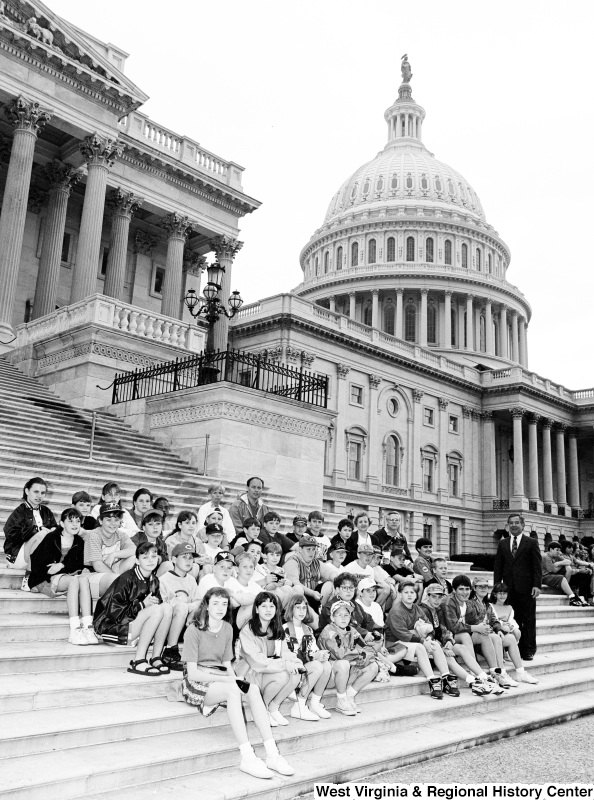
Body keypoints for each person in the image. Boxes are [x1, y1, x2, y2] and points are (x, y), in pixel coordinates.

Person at [180, 587, 295, 778]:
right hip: (198, 680)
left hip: (222, 676)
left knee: (252, 689)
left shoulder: (226, 628)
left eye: (224, 604)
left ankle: (272, 754)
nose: (220, 608)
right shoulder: (194, 629)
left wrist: (234, 678)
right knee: (233, 691)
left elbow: (226, 663)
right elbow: (192, 673)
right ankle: (247, 757)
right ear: (206, 606)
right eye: (215, 603)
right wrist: (229, 680)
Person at [93, 541, 173, 675]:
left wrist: (153, 602)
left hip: (132, 625)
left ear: (159, 559)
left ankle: (156, 657)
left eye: (153, 557)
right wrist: (142, 605)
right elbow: (114, 613)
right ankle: (139, 660)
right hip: (112, 627)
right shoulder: (127, 578)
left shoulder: (154, 580)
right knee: (156, 609)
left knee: (167, 608)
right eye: (145, 557)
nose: (150, 560)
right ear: (137, 560)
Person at [28, 507, 98, 645]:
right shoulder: (51, 537)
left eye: (77, 521)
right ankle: (74, 629)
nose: (74, 524)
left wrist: (62, 565)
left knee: (83, 579)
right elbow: (37, 560)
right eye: (70, 521)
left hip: (66, 575)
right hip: (45, 579)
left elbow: (78, 564)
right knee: (74, 581)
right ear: (61, 523)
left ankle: (88, 626)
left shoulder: (79, 541)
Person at [237, 591, 302, 726]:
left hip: (267, 670)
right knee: (283, 675)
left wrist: (295, 662)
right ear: (256, 609)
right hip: (250, 673)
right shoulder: (248, 630)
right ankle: (260, 710)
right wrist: (285, 664)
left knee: (295, 674)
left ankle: (273, 708)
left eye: (272, 606)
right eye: (264, 606)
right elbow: (256, 661)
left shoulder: (276, 628)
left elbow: (285, 652)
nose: (268, 610)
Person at [419, 583, 493, 696]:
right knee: (450, 659)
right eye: (433, 596)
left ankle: (483, 677)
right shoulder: (421, 610)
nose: (437, 600)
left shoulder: (438, 610)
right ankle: (473, 683)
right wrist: (443, 647)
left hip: (441, 644)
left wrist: (448, 641)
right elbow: (426, 635)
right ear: (427, 596)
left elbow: (445, 629)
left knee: (462, 648)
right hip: (429, 648)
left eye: (439, 597)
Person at [386, 581, 455, 700]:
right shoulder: (396, 610)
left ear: (416, 595)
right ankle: (432, 680)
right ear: (400, 594)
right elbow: (402, 634)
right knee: (420, 647)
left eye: (412, 592)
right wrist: (422, 640)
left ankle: (446, 677)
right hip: (395, 644)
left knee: (435, 645)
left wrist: (428, 638)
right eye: (406, 592)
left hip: (411, 642)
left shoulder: (417, 608)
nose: (409, 595)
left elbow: (430, 627)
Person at [439, 574, 505, 692]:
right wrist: (475, 628)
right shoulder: (449, 602)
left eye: (467, 589)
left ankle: (495, 671)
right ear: (454, 590)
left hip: (460, 634)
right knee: (466, 635)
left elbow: (475, 621)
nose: (465, 592)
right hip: (447, 636)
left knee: (484, 634)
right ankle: (476, 674)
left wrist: (484, 628)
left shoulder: (467, 603)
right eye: (461, 589)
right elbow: (453, 626)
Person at [493, 514, 542, 661]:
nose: (514, 525)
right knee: (510, 620)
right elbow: (498, 566)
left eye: (517, 523)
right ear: (508, 525)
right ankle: (510, 648)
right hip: (508, 590)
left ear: (523, 525)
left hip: (527, 588)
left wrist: (537, 585)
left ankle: (528, 650)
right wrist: (497, 587)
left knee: (528, 619)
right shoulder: (503, 543)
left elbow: (537, 566)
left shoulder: (531, 542)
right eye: (511, 523)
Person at [317, 600, 379, 714]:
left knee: (373, 666)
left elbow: (369, 650)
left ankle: (349, 696)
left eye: (346, 615)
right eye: (339, 615)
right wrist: (357, 656)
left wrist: (357, 660)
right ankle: (341, 700)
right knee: (343, 663)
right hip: (328, 677)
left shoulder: (352, 631)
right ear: (332, 617)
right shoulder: (329, 631)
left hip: (346, 673)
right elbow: (340, 655)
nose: (343, 618)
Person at [283, 595, 332, 720]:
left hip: (304, 665)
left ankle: (315, 703)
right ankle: (299, 706)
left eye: (304, 608)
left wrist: (320, 655)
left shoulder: (308, 629)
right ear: (291, 609)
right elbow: (287, 654)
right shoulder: (285, 629)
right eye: (298, 607)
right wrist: (313, 656)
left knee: (326, 665)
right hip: (290, 668)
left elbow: (313, 650)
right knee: (316, 666)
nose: (301, 611)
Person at [4, 477, 57, 589]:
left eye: (43, 493)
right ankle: (28, 579)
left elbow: (56, 530)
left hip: (38, 557)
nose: (39, 496)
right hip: (18, 556)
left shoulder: (46, 511)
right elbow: (10, 533)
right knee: (41, 535)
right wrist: (36, 530)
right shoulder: (20, 511)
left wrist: (54, 531)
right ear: (27, 491)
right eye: (36, 492)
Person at [159, 542, 201, 670]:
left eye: (190, 558)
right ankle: (170, 651)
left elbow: (198, 602)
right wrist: (185, 605)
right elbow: (163, 606)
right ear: (173, 559)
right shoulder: (164, 579)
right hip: (168, 626)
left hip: (187, 623)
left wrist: (188, 609)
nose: (188, 561)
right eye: (184, 557)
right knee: (182, 606)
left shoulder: (191, 579)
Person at [84, 501, 137, 600]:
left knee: (133, 558)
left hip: (112, 572)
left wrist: (114, 554)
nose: (113, 524)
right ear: (100, 521)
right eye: (108, 520)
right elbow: (97, 566)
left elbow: (134, 550)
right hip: (93, 575)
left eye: (116, 519)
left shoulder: (120, 534)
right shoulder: (94, 535)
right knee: (118, 582)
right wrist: (119, 580)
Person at [490, 582, 539, 684]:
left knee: (516, 633)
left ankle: (520, 673)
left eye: (504, 593)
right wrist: (503, 625)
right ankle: (502, 674)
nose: (502, 595)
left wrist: (511, 627)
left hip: (505, 630)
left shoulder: (509, 607)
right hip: (494, 632)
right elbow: (492, 621)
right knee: (506, 632)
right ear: (495, 594)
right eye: (500, 593)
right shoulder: (490, 606)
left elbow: (511, 621)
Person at [284, 536, 322, 610]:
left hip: (313, 597)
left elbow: (330, 573)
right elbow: (295, 583)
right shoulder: (292, 561)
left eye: (313, 549)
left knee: (330, 584)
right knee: (298, 589)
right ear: (300, 549)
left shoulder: (315, 561)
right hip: (297, 599)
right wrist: (312, 593)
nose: (311, 552)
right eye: (308, 549)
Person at [131, 509, 172, 577]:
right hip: (136, 574)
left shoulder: (161, 543)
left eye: (158, 524)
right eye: (150, 524)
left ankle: (153, 585)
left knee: (169, 565)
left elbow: (165, 558)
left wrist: (160, 558)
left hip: (153, 574)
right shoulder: (136, 539)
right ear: (144, 527)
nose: (155, 527)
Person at [541, 541, 583, 605]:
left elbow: (569, 562)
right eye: (557, 550)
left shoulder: (556, 556)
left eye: (559, 550)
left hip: (551, 574)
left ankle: (565, 588)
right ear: (551, 549)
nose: (559, 552)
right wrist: (562, 564)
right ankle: (572, 597)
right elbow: (554, 570)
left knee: (568, 568)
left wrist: (559, 563)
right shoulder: (545, 556)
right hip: (544, 576)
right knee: (561, 577)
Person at [164, 510, 202, 578]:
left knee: (205, 567)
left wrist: (206, 559)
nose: (191, 526)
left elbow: (202, 557)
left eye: (193, 523)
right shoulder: (171, 541)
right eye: (187, 523)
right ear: (180, 525)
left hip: (192, 572)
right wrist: (193, 560)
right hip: (174, 571)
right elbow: (170, 562)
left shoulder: (198, 542)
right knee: (194, 566)